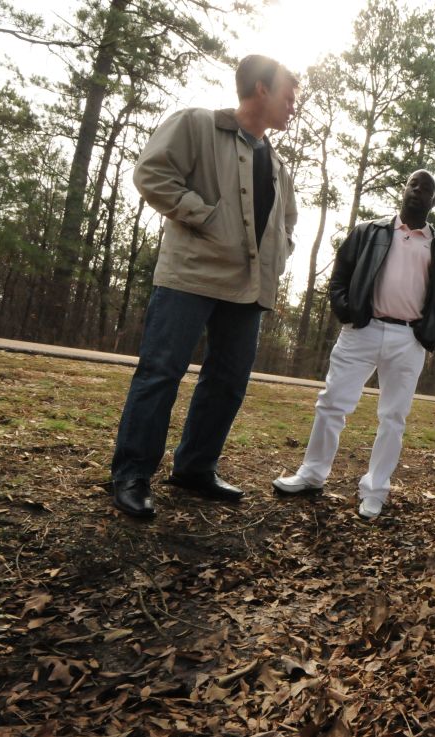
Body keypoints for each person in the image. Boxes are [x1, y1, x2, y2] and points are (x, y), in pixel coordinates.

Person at [109, 55, 299, 519]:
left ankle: (195, 467)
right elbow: (151, 173)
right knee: (161, 372)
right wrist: (207, 217)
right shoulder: (196, 124)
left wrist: (278, 255)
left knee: (228, 381)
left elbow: (286, 222)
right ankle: (131, 474)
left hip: (248, 288)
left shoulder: (275, 164)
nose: (294, 105)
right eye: (288, 94)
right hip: (190, 276)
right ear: (259, 89)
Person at [272, 169, 435, 519]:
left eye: (427, 189)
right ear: (403, 190)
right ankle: (312, 474)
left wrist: (431, 335)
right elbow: (340, 275)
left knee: (394, 417)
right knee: (331, 403)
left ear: (434, 201)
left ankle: (375, 490)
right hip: (363, 329)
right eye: (412, 184)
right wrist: (345, 309)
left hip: (409, 340)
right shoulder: (368, 232)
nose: (418, 191)